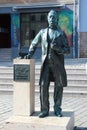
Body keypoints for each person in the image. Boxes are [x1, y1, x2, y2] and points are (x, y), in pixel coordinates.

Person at [25, 10, 70, 118]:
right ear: (47, 19)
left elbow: (67, 50)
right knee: (43, 86)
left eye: (54, 17)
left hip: (57, 65)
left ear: (57, 20)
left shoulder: (61, 33)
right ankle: (44, 110)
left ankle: (57, 109)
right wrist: (29, 54)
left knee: (58, 87)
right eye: (50, 17)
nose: (51, 19)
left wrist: (58, 49)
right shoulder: (42, 32)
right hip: (45, 64)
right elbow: (34, 43)